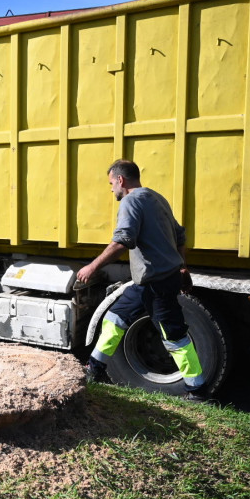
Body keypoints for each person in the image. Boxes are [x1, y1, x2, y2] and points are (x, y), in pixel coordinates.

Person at [76, 159, 207, 401]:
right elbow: (180, 235)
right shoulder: (156, 198)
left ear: (120, 180)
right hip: (147, 282)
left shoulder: (130, 201)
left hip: (157, 283)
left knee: (174, 336)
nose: (111, 189)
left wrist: (92, 266)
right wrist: (183, 268)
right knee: (115, 317)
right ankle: (94, 367)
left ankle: (197, 390)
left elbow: (123, 240)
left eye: (111, 184)